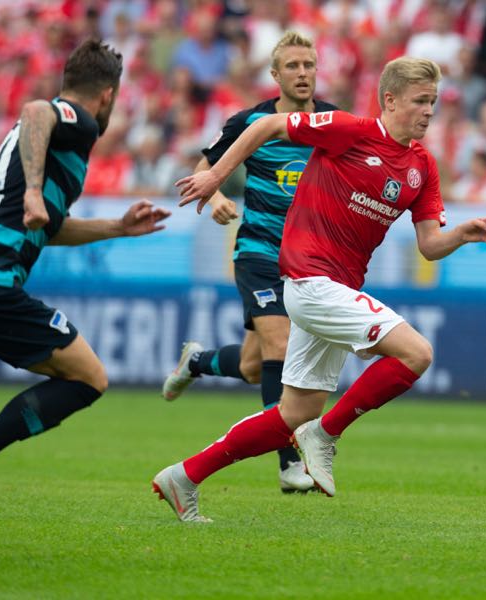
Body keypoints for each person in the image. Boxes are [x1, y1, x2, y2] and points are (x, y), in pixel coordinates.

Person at [154, 56, 486, 522]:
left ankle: (184, 476)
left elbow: (429, 246)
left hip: (335, 288)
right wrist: (217, 176)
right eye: (421, 101)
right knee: (416, 353)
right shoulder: (349, 130)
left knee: (291, 415)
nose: (429, 111)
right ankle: (327, 434)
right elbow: (268, 125)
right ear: (390, 99)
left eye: (434, 102)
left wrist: (461, 235)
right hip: (309, 280)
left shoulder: (422, 166)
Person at [0, 39, 171, 526]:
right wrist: (33, 191)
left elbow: (47, 228)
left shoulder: (46, 143)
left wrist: (117, 227)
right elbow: (37, 109)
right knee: (89, 377)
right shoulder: (77, 120)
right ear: (108, 96)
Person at [161, 32, 338, 494]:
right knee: (279, 348)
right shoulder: (250, 121)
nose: (303, 73)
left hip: (306, 261)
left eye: (309, 65)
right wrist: (217, 195)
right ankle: (288, 464)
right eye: (294, 65)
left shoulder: (333, 122)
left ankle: (195, 361)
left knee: (254, 366)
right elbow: (204, 169)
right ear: (276, 75)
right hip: (258, 251)